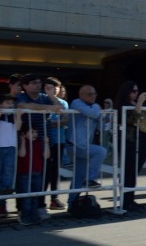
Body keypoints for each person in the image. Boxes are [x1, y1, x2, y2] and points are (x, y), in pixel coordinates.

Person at [16, 73, 63, 220]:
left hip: (45, 141)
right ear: (25, 85)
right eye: (33, 83)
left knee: (43, 175)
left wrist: (52, 96)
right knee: (24, 177)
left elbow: (60, 108)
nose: (38, 85)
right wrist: (48, 108)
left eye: (38, 82)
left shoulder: (44, 96)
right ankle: (22, 209)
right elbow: (24, 106)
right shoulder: (21, 96)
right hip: (26, 141)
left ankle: (39, 206)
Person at [115, 80, 146, 211]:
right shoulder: (123, 105)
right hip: (129, 140)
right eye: (133, 91)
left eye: (137, 91)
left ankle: (131, 199)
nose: (135, 94)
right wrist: (139, 104)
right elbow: (131, 120)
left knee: (135, 170)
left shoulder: (137, 104)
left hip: (141, 139)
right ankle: (126, 201)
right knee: (129, 171)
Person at [67, 85, 107, 212]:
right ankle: (90, 179)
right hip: (75, 144)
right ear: (81, 94)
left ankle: (72, 204)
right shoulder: (76, 103)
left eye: (94, 94)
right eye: (89, 94)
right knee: (101, 151)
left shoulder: (93, 106)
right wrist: (99, 110)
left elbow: (101, 125)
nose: (93, 96)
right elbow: (94, 113)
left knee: (78, 175)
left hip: (84, 145)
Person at [0, 94, 21, 217]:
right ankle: (1, 197)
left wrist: (18, 116)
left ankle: (4, 197)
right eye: (7, 103)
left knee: (8, 171)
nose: (10, 106)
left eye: (11, 103)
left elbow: (18, 128)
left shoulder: (12, 115)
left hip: (11, 146)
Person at [41, 77, 69, 211]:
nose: (52, 90)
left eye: (55, 87)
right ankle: (40, 200)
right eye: (48, 88)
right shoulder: (41, 100)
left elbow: (65, 119)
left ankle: (54, 198)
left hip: (59, 140)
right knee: (43, 171)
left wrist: (54, 98)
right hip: (45, 140)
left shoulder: (62, 102)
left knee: (55, 171)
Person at [16, 123, 50, 226]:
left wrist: (47, 143)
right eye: (31, 132)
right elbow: (22, 154)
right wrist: (22, 141)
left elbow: (46, 156)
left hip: (37, 172)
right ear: (24, 134)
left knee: (35, 196)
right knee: (27, 197)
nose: (35, 134)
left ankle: (34, 217)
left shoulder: (39, 143)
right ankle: (25, 217)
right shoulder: (24, 143)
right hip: (25, 173)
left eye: (35, 132)